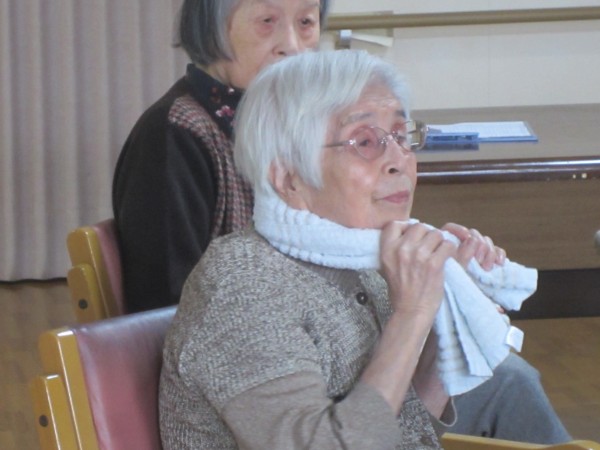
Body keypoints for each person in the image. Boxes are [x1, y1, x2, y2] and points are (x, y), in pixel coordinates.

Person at [159, 50, 571, 449]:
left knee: (509, 383)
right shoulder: (243, 286)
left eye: (401, 136)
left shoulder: (363, 253)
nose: (399, 160)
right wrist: (412, 314)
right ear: (289, 179)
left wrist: (448, 303)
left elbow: (405, 430)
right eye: (365, 141)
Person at [112, 0, 331, 313]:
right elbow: (168, 306)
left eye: (306, 22)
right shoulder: (174, 133)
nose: (293, 46)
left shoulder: (289, 124)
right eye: (267, 21)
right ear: (212, 26)